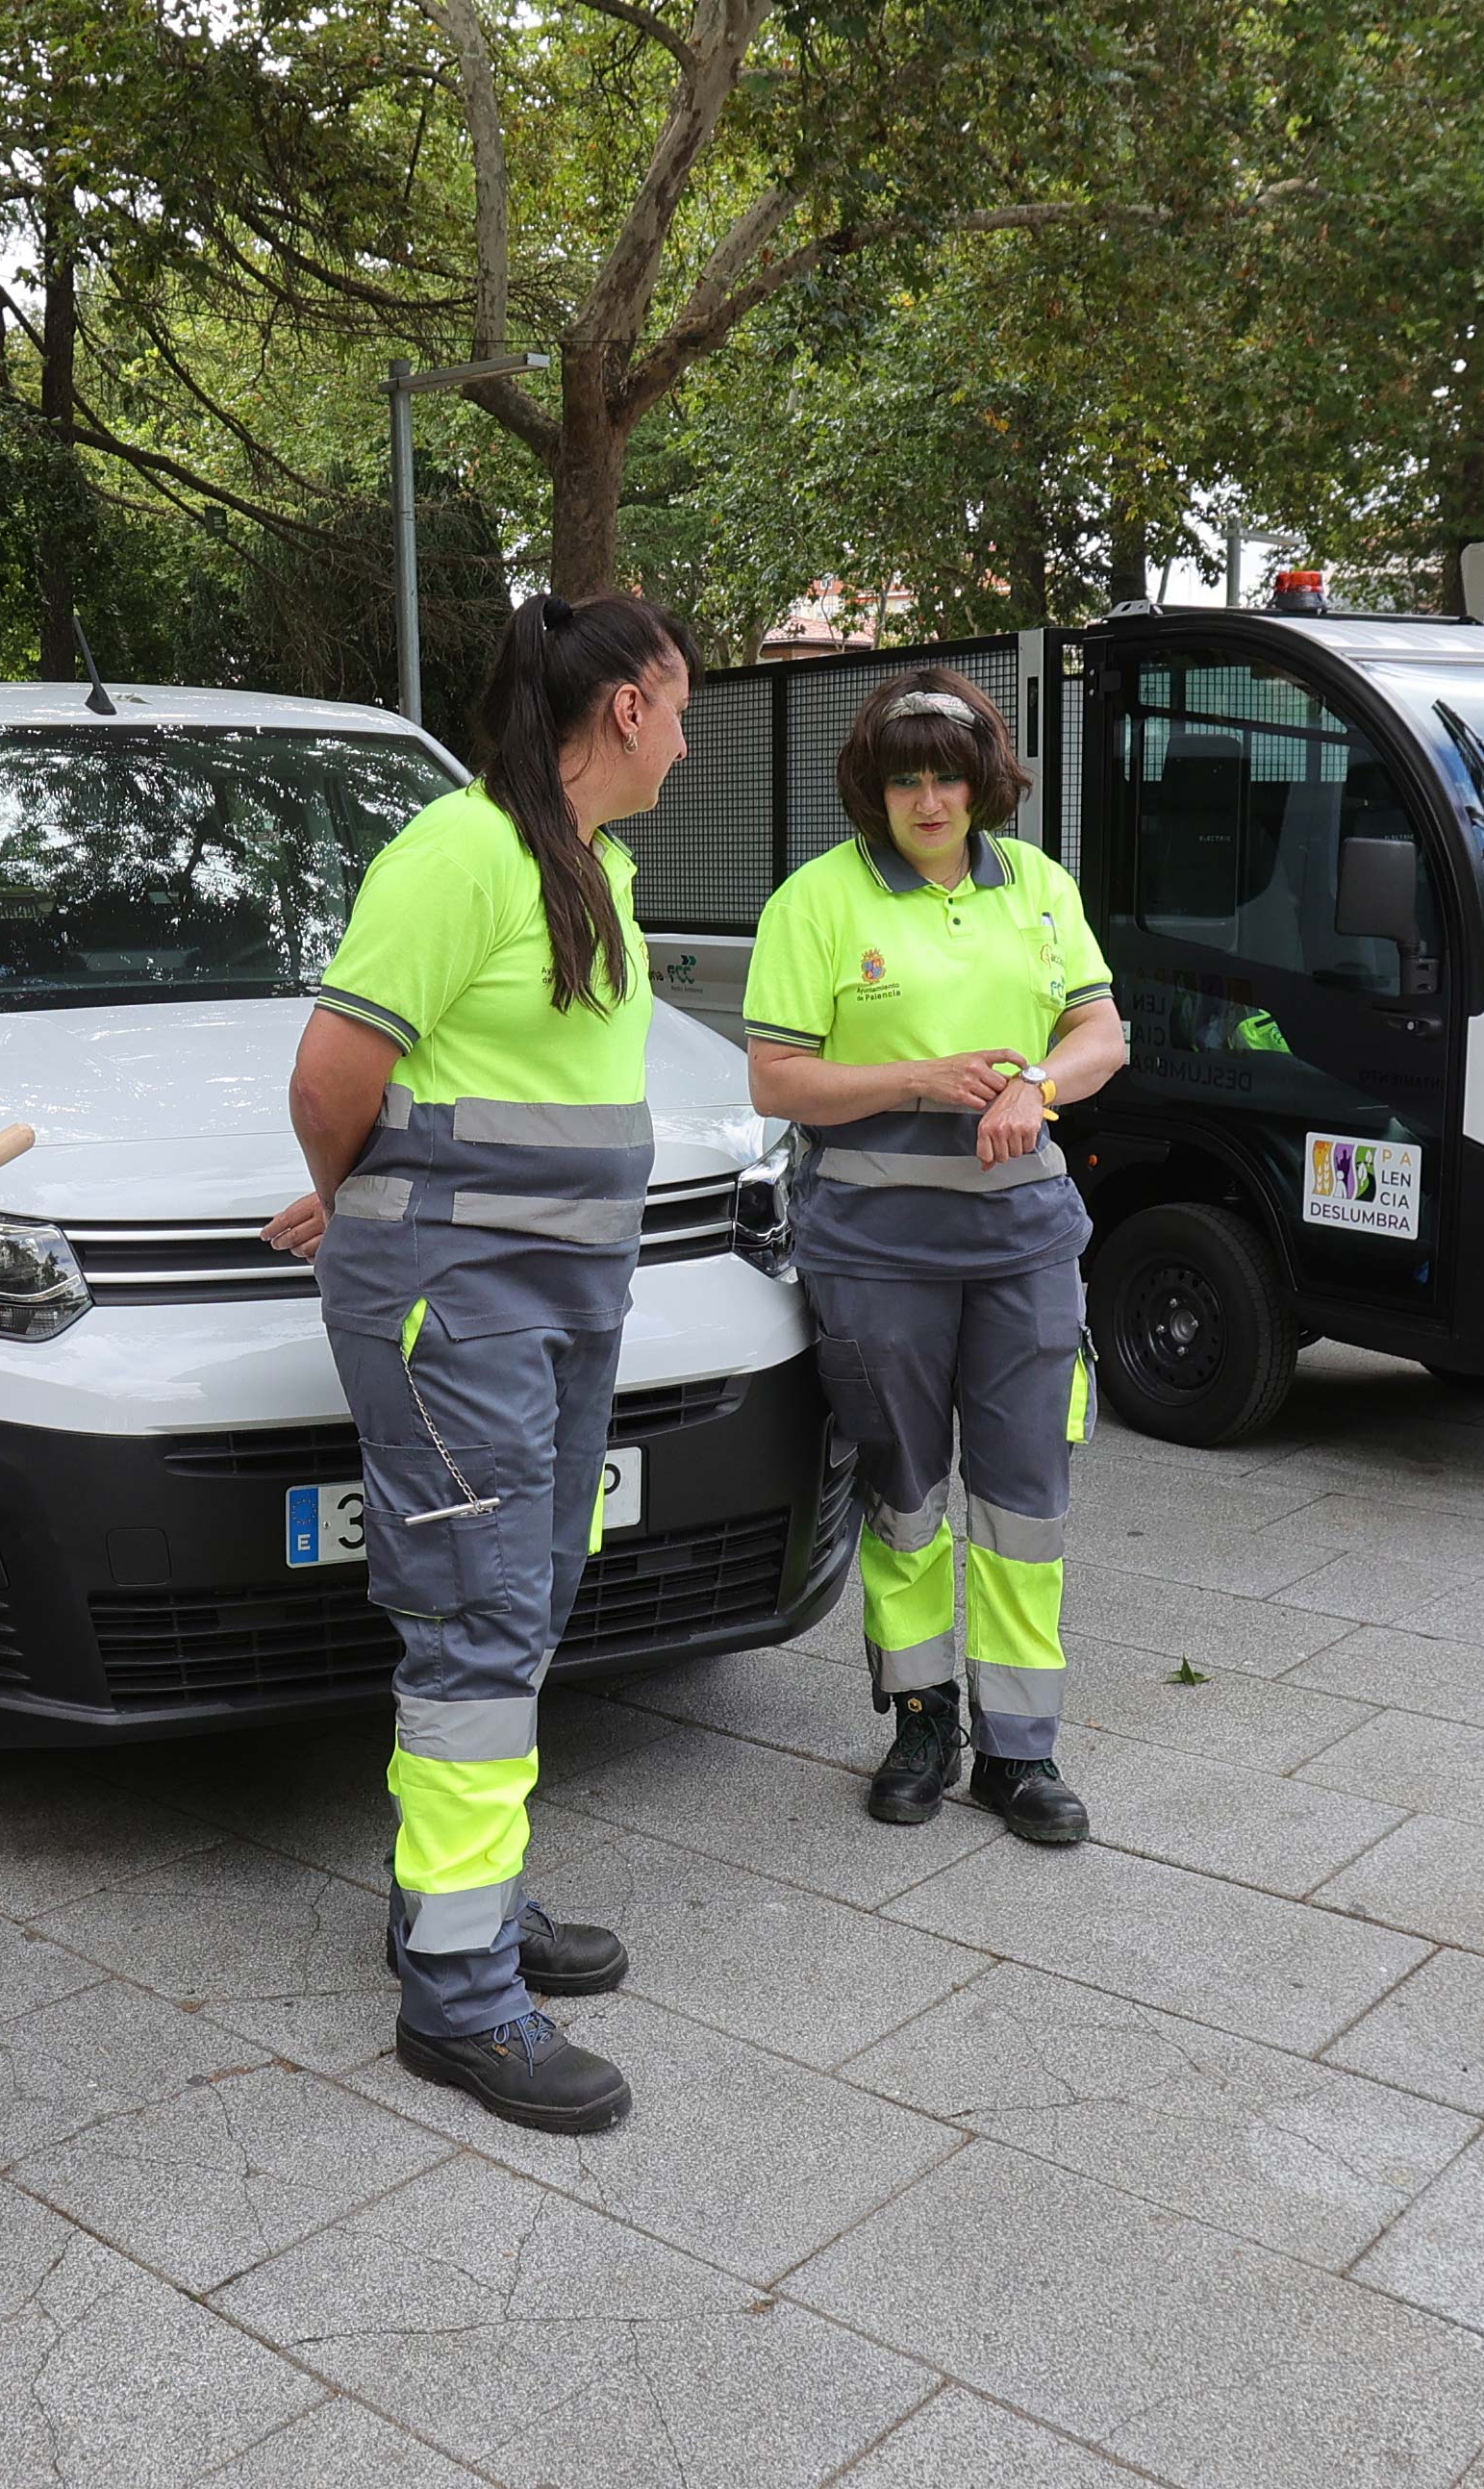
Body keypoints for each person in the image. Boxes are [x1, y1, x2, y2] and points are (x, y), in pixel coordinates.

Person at [261, 591, 688, 2134]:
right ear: (624, 708)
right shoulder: (461, 854)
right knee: (482, 1621)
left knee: (535, 1592)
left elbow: (477, 1098)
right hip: (465, 1308)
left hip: (554, 1302)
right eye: (683, 705)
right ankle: (455, 1998)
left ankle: (460, 1907)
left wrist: (373, 1186)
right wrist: (373, 1198)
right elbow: (333, 1077)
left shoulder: (590, 873)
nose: (689, 735)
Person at [738, 673, 1128, 1846]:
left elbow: (1101, 1030)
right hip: (874, 1253)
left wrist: (1037, 1083)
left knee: (1024, 1499)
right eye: (902, 776)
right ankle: (920, 1722)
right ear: (875, 786)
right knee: (905, 1495)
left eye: (945, 774)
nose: (926, 797)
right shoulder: (817, 899)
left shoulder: (1040, 888)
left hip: (1023, 1245)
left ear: (983, 780)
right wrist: (917, 1079)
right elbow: (775, 1078)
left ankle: (1020, 1751)